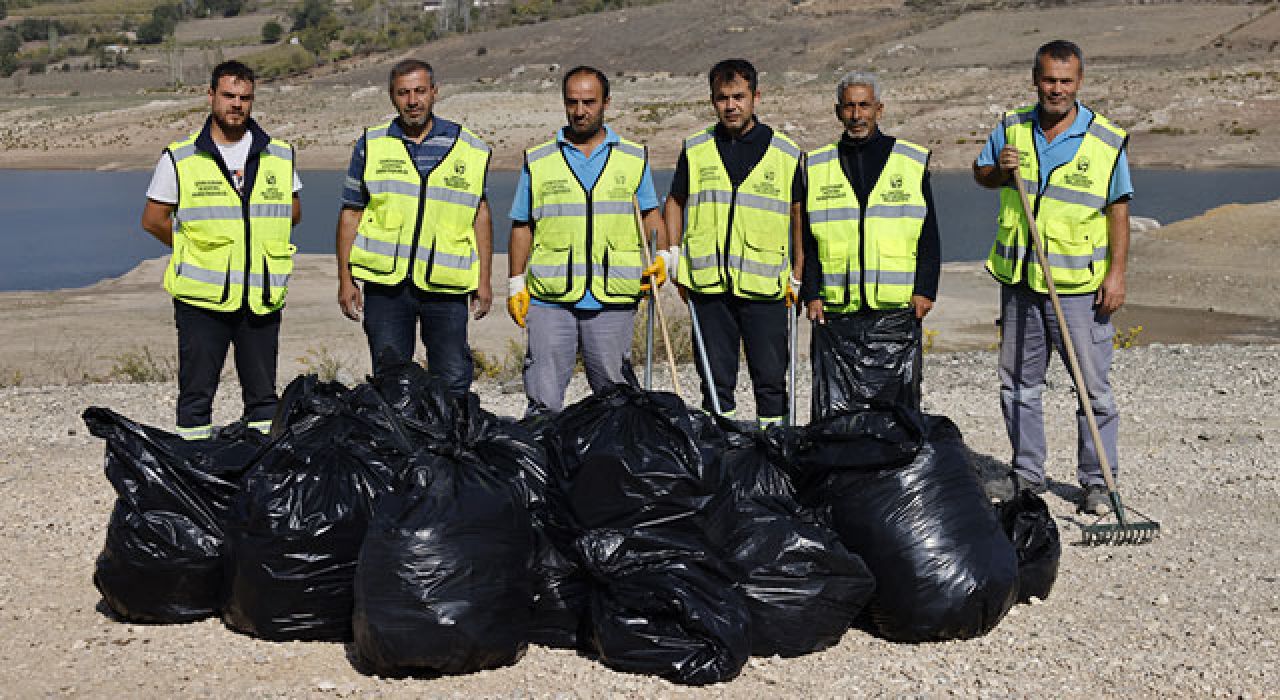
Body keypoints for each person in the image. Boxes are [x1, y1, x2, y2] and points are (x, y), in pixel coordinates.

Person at [973, 39, 1133, 515]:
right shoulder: (1010, 127)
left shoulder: (1106, 141)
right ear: (1035, 79)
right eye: (1048, 80)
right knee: (1018, 384)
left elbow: (1118, 211)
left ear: (1079, 82)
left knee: (1092, 389)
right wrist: (999, 173)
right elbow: (979, 174)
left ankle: (1099, 481)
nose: (1056, 89)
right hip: (1021, 283)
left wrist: (1116, 275)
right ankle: (1026, 474)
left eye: (1065, 81)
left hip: (1079, 288)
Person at [141, 60, 301, 440]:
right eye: (229, 95)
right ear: (211, 96)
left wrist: (256, 243)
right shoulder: (181, 158)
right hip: (202, 301)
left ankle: (260, 477)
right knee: (197, 396)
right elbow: (154, 220)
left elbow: (291, 211)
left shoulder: (279, 154)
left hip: (261, 296)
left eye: (245, 98)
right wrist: (196, 252)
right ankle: (193, 476)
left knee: (264, 400)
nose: (237, 105)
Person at [506, 65, 666, 415]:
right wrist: (516, 282)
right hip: (550, 299)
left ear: (607, 102)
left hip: (613, 298)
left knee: (616, 396)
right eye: (572, 102)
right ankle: (543, 461)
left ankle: (614, 464)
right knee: (543, 396)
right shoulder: (540, 159)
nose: (580, 111)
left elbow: (651, 215)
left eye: (589, 102)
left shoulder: (633, 157)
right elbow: (522, 224)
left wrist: (665, 256)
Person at [335, 59, 493, 393]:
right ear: (392, 97)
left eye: (420, 91)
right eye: (403, 93)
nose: (412, 101)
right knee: (391, 380)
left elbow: (480, 215)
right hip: (386, 287)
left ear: (434, 92)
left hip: (446, 286)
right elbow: (352, 214)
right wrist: (346, 280)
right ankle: (398, 444)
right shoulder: (371, 144)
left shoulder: (469, 148)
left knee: (452, 378)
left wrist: (483, 281)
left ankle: (451, 443)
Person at [663, 58, 804, 427]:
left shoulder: (786, 153)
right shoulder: (696, 149)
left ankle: (774, 453)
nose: (731, 106)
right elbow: (675, 201)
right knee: (714, 382)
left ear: (755, 96)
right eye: (722, 98)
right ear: (713, 101)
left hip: (765, 287)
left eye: (738, 96)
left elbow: (798, 214)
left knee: (771, 381)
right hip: (708, 287)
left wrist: (800, 273)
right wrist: (674, 255)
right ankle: (719, 453)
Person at [800, 71, 940, 419]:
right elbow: (808, 239)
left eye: (864, 106)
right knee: (837, 404)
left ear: (880, 108)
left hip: (896, 307)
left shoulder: (909, 161)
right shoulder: (817, 166)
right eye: (849, 106)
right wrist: (812, 293)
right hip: (837, 307)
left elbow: (929, 234)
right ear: (838, 111)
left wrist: (925, 291)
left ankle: (892, 465)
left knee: (895, 404)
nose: (857, 114)